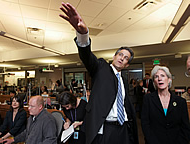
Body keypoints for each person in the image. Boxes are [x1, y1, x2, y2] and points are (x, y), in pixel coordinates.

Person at [59, 3, 138, 144]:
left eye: (126, 58)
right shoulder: (101, 68)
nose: (122, 58)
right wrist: (83, 34)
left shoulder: (124, 81)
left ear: (127, 64)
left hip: (123, 128)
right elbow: (86, 56)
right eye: (120, 54)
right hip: (105, 128)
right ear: (114, 56)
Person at [141, 65, 190, 144]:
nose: (159, 79)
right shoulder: (148, 99)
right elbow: (145, 124)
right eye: (156, 77)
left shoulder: (180, 102)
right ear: (154, 82)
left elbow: (185, 127)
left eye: (163, 76)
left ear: (169, 79)